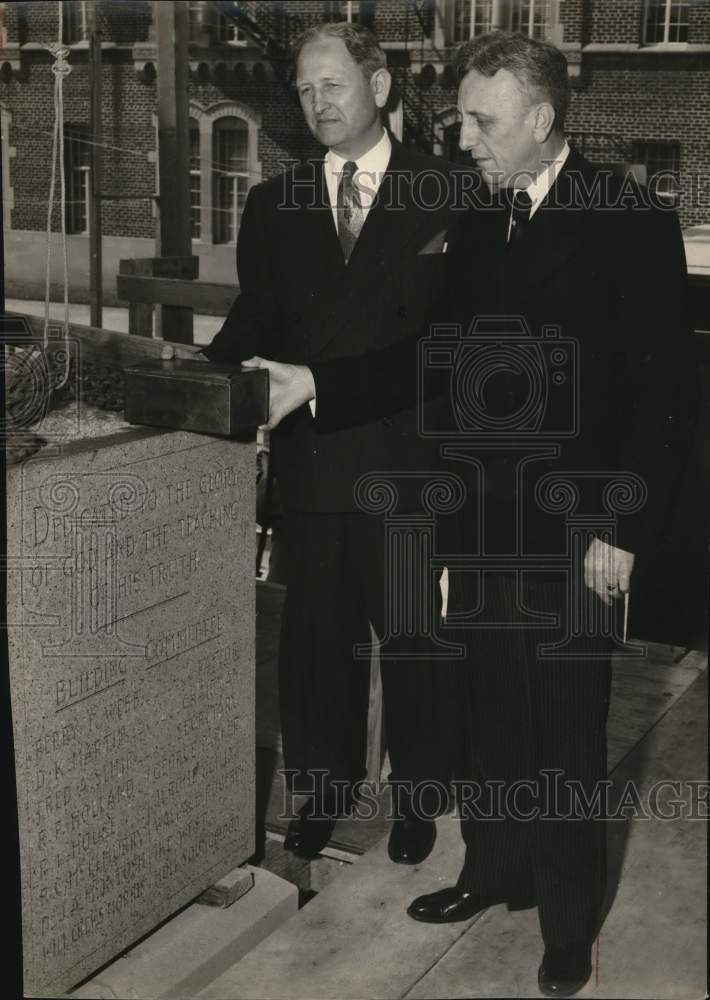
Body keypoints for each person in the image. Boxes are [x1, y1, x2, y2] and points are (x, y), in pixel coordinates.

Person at [243, 31, 699, 999]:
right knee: (493, 712)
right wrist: (314, 382)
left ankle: (567, 924)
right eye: (459, 120)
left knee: (566, 732)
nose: (464, 141)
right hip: (484, 520)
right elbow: (422, 358)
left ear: (539, 121)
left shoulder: (625, 217)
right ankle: (492, 871)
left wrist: (621, 527)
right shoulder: (480, 221)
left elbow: (664, 393)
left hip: (582, 530)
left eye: (481, 123)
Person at [203, 22, 464, 864]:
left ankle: (421, 798)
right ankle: (322, 793)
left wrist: (323, 383)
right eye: (306, 90)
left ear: (381, 88)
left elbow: (448, 350)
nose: (318, 104)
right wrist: (205, 377)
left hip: (410, 466)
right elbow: (257, 319)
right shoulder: (273, 204)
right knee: (315, 645)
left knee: (416, 641)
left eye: (335, 86)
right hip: (314, 471)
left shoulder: (450, 194)